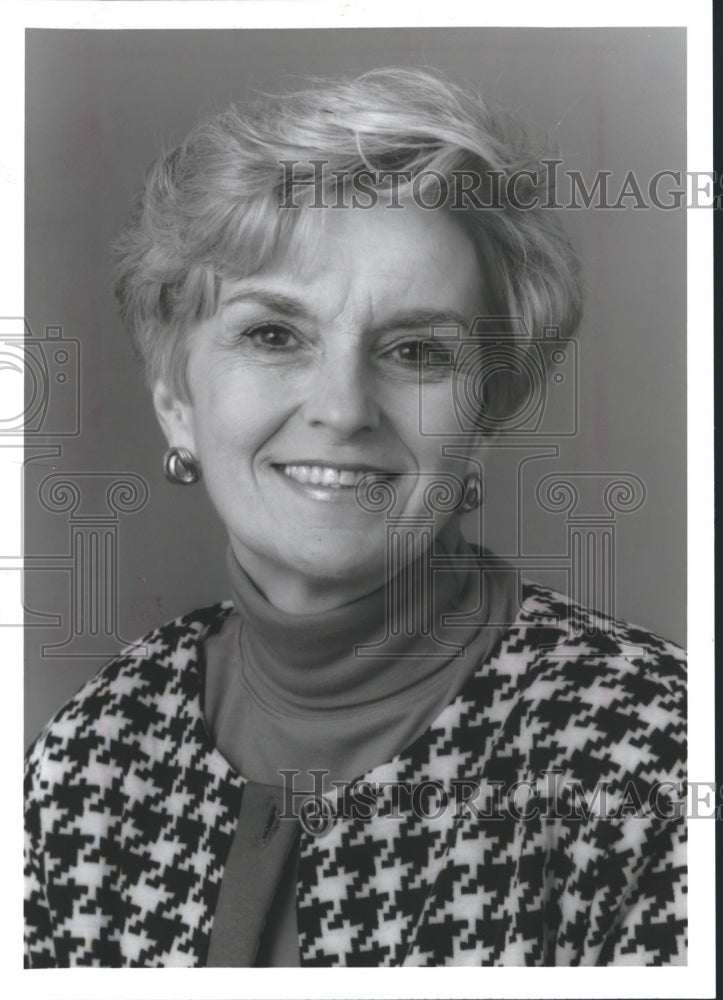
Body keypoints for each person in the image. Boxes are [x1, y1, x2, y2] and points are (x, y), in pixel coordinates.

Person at [24, 67, 686, 967]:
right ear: (178, 398)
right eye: (273, 335)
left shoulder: (653, 755)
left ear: (484, 417)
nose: (341, 408)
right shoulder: (90, 752)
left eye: (416, 350)